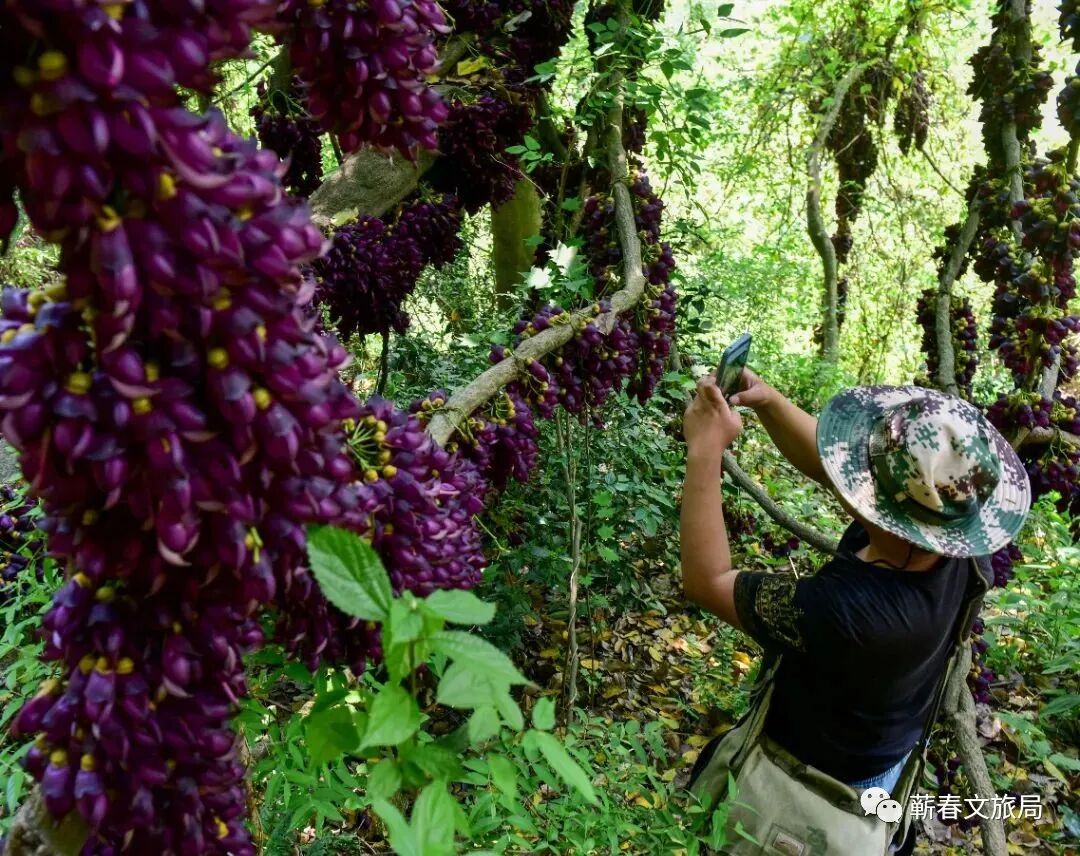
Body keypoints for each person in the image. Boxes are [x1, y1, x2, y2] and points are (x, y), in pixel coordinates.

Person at [679, 368, 1031, 802]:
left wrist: (704, 449)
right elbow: (840, 472)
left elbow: (707, 581)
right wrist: (768, 400)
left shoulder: (852, 613)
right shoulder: (955, 529)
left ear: (878, 504)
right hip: (884, 749)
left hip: (813, 786)